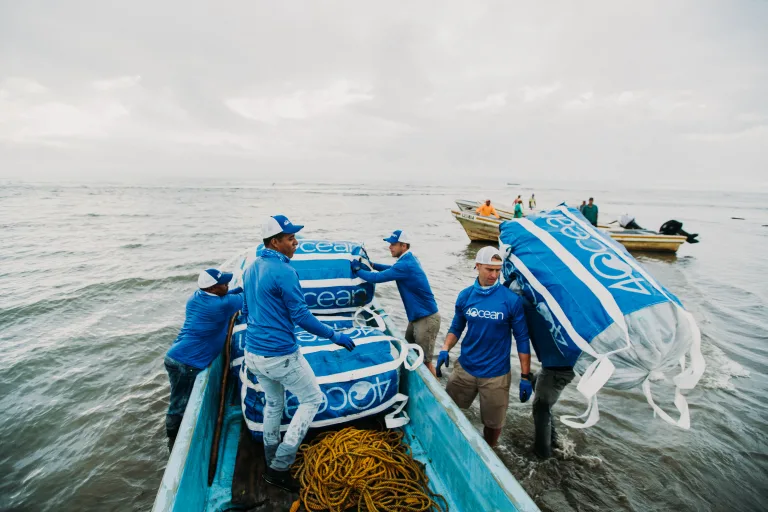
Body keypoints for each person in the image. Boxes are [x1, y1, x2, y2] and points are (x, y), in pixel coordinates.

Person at [242, 215, 357, 492]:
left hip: (253, 354)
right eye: (290, 238)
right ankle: (280, 467)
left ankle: (270, 458)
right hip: (281, 355)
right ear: (275, 242)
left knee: (273, 403)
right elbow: (301, 316)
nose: (296, 243)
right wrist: (335, 335)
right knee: (312, 399)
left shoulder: (250, 268)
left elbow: (246, 311)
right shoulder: (284, 271)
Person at [435, 246, 531, 448]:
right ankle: (450, 444)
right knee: (451, 411)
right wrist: (445, 348)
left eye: (498, 270)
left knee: (493, 423)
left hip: (496, 375)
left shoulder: (511, 300)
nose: (494, 275)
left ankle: (491, 451)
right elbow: (457, 327)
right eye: (489, 269)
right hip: (465, 368)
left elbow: (522, 339)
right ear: (477, 266)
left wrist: (525, 377)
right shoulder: (465, 296)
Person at [165, 268, 244, 450]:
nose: (227, 285)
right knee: (179, 403)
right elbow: (249, 297)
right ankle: (173, 441)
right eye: (223, 283)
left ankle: (171, 437)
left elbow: (229, 294)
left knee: (176, 398)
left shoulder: (195, 297)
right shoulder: (222, 305)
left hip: (175, 356)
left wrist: (236, 288)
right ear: (214, 289)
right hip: (188, 362)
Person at [352, 230, 441, 376]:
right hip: (417, 318)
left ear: (404, 246)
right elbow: (391, 269)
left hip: (427, 319)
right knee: (409, 353)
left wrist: (357, 270)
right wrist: (372, 264)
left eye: (393, 244)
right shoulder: (409, 260)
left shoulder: (405, 265)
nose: (390, 247)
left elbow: (376, 278)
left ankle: (437, 395)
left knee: (425, 362)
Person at [520, 298, 576, 458]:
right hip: (559, 364)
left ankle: (542, 455)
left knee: (541, 407)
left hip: (558, 368)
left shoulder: (530, 299)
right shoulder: (551, 299)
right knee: (536, 381)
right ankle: (553, 440)